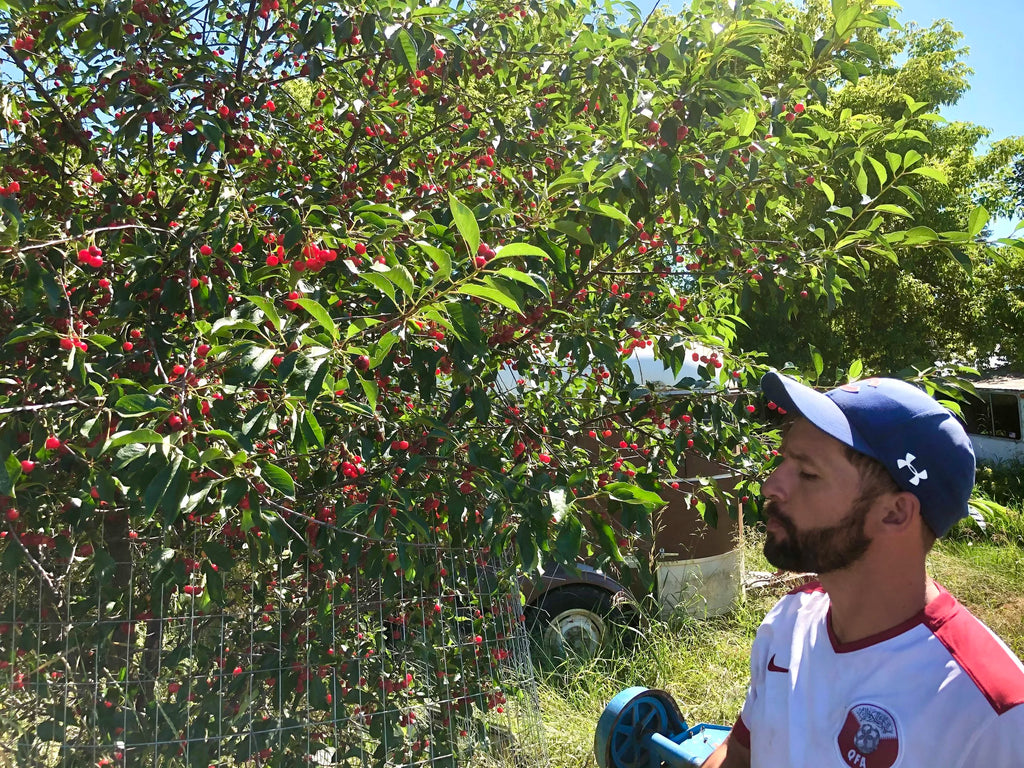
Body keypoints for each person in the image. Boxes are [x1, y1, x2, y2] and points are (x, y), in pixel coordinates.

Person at [702, 372, 1024, 768]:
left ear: (894, 513)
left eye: (807, 473)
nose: (771, 485)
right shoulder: (787, 623)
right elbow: (739, 756)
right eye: (783, 461)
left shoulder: (992, 710)